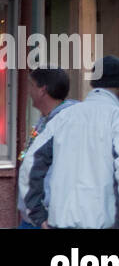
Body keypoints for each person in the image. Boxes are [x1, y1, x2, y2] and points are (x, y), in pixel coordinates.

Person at [18, 56, 119, 229]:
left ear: (92, 82)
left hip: (61, 223)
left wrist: (38, 215)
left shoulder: (62, 118)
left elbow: (30, 164)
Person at [18, 68, 77, 228]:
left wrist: (44, 217)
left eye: (31, 85)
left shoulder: (68, 123)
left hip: (49, 219)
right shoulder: (45, 120)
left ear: (42, 90)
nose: (29, 90)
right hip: (33, 217)